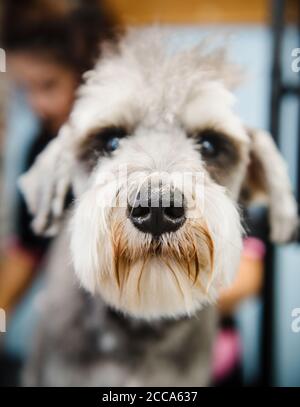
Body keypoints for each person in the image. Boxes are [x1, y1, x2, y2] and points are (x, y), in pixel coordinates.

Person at [0, 0, 118, 384]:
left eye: (48, 85)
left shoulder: (145, 143)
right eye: (25, 90)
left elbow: (246, 275)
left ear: (88, 70)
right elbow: (28, 248)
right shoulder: (43, 148)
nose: (37, 104)